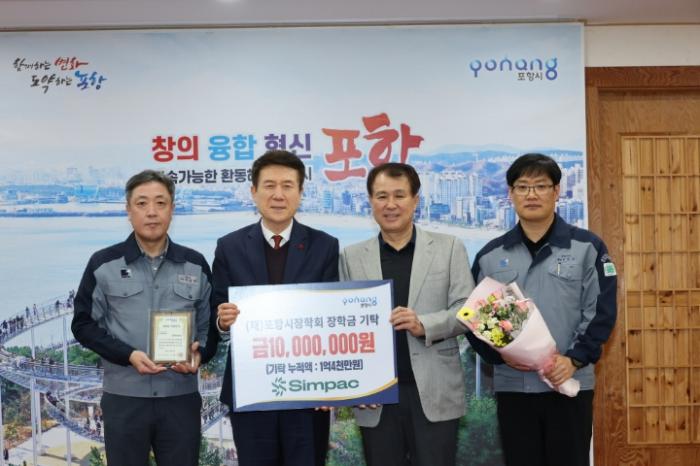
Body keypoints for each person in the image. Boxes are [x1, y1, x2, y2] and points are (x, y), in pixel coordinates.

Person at [467, 153, 617, 466]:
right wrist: (500, 356)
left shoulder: (588, 247)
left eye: (540, 186)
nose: (531, 194)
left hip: (568, 383)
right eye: (522, 187)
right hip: (513, 387)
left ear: (557, 191)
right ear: (510, 194)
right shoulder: (490, 256)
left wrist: (574, 359)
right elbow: (473, 319)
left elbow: (601, 311)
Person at [72, 169, 214, 466]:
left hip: (180, 398)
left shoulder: (196, 264)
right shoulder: (103, 264)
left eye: (161, 203)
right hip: (124, 399)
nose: (152, 212)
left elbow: (209, 327)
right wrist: (128, 355)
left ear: (172, 209)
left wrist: (200, 353)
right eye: (142, 203)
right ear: (128, 210)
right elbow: (83, 325)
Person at [206, 150, 339, 466]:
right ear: (253, 191)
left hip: (308, 393)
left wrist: (329, 384)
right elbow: (214, 311)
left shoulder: (325, 246)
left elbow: (332, 318)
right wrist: (223, 321)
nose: (278, 195)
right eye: (269, 185)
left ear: (300, 192)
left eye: (288, 186)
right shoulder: (229, 246)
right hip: (250, 389)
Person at [339, 162, 474, 466]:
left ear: (415, 200)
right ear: (370, 202)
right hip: (376, 396)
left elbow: (467, 310)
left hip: (434, 390)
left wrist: (424, 324)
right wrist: (356, 385)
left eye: (399, 195)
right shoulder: (351, 256)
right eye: (381, 196)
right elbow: (343, 326)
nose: (391, 204)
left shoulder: (449, 248)